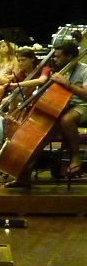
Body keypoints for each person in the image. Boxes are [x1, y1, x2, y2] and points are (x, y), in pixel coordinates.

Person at [51, 41, 87, 176]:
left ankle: (76, 156)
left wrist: (67, 84)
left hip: (83, 105)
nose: (55, 59)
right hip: (65, 105)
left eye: (58, 57)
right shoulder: (62, 71)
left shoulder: (85, 69)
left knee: (67, 120)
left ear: (70, 57)